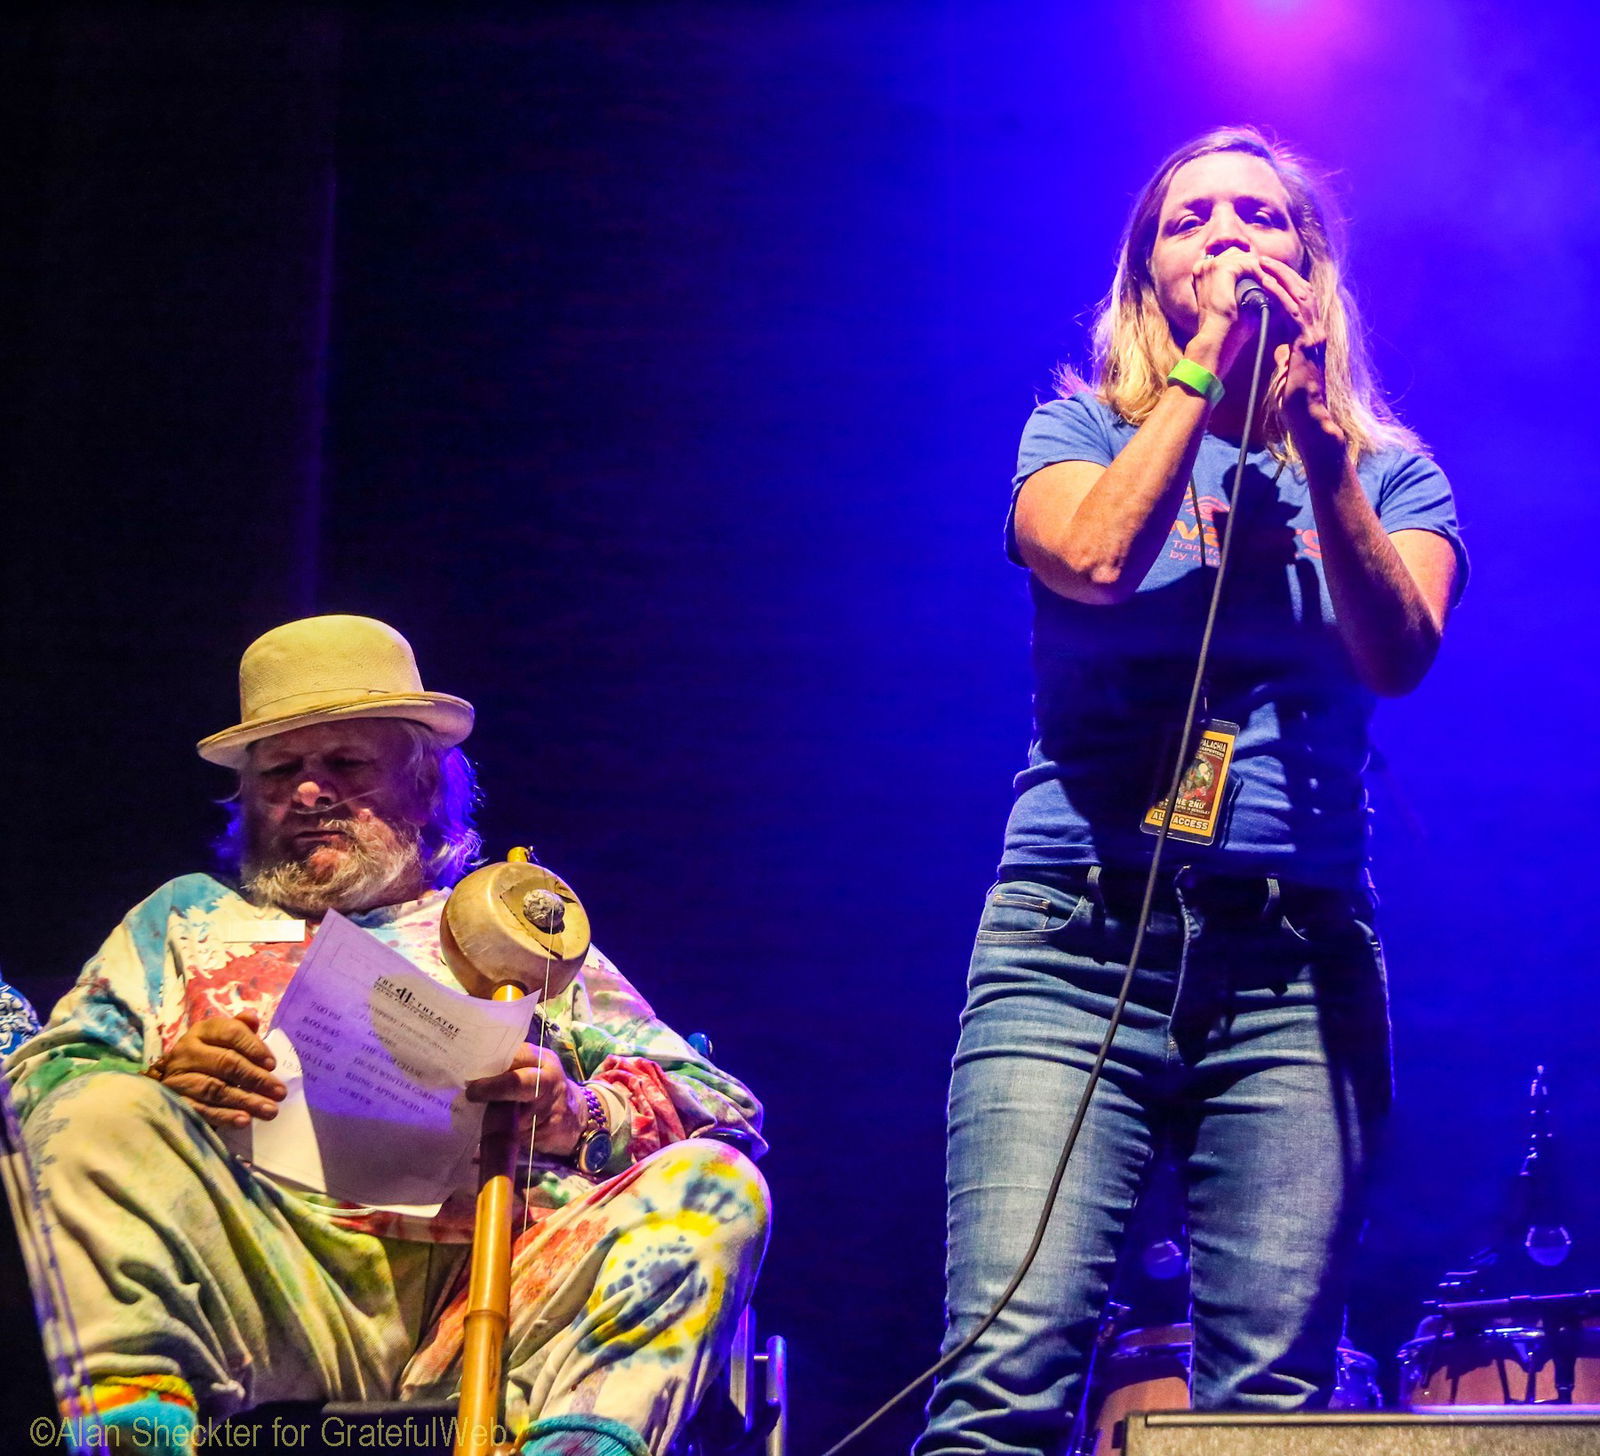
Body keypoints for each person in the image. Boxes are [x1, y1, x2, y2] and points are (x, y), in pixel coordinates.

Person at [916, 127, 1467, 1454]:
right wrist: (1205, 368)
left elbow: (1399, 657)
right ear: (1147, 274)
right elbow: (1096, 558)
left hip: (1294, 960)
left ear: (1310, 265)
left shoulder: (1393, 471)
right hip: (1072, 941)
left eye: (1261, 218)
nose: (1228, 236)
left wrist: (1320, 453)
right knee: (1003, 1384)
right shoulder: (1076, 429)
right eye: (1192, 219)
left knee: (1271, 1410)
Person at [9, 614, 770, 1456]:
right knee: (96, 1106)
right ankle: (136, 1436)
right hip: (267, 1285)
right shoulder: (181, 921)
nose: (310, 793)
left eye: (345, 764)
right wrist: (161, 1086)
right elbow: (40, 1086)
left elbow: (722, 1110)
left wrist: (574, 1114)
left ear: (425, 784)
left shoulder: (504, 928)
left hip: (490, 1300)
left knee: (717, 1187)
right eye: (282, 771)